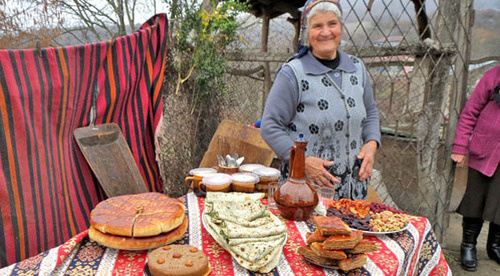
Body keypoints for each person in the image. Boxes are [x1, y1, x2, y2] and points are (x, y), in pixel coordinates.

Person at [260, 0, 381, 200]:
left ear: (340, 27)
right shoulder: (293, 74)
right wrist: (302, 161)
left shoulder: (357, 68)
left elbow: (371, 113)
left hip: (355, 197)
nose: (326, 32)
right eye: (318, 26)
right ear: (307, 32)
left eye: (332, 23)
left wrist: (372, 143)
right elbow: (270, 126)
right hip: (306, 196)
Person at [451, 65, 500, 271]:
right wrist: (460, 146)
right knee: (475, 199)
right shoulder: (494, 76)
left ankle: (495, 245)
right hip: (486, 150)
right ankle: (468, 245)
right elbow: (470, 113)